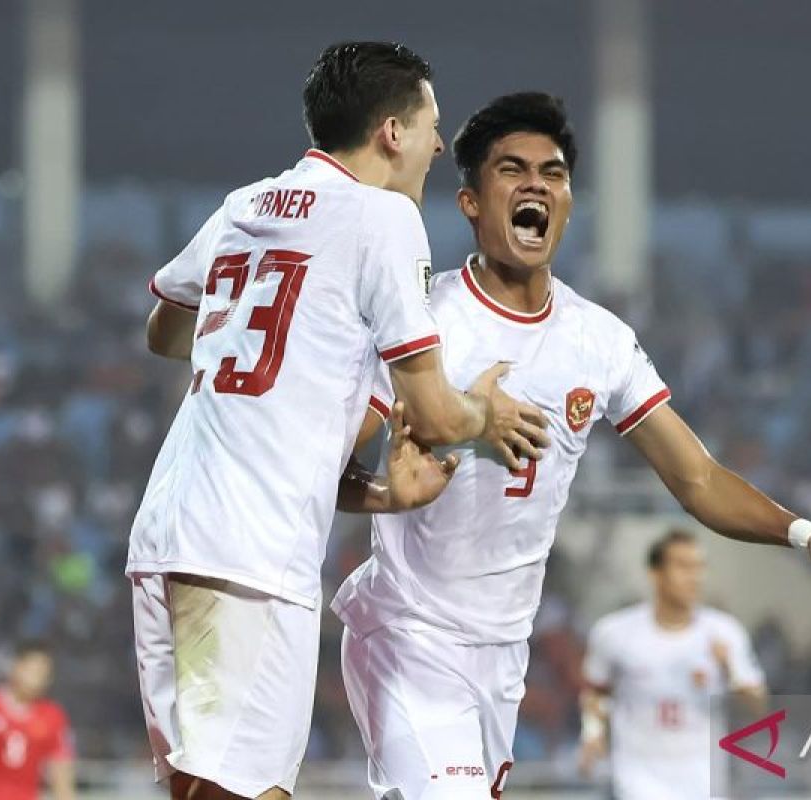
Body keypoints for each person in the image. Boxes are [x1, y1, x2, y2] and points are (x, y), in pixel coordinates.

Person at [331, 92, 811, 800]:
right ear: (469, 200)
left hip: (502, 653)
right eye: (512, 170)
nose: (535, 185)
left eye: (552, 174)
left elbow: (699, 479)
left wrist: (808, 534)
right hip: (407, 632)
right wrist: (383, 497)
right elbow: (326, 465)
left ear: (568, 201)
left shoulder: (601, 341)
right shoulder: (423, 322)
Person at [128, 43, 548, 800]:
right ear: (392, 131)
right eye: (431, 127)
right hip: (251, 555)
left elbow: (164, 331)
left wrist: (382, 490)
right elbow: (433, 408)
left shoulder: (246, 204)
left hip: (169, 533)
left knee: (203, 789)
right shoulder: (381, 217)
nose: (437, 148)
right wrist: (487, 413)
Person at [580, 530, 768, 800]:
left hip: (702, 779)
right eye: (683, 566)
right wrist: (593, 732)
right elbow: (596, 690)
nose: (694, 577)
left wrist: (731, 670)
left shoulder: (725, 633)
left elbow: (758, 709)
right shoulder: (615, 632)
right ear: (655, 573)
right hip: (636, 776)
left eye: (699, 567)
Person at [0, 641, 75, 800]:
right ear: (16, 667)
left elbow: (62, 774)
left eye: (44, 674)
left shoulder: (53, 716)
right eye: (33, 671)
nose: (37, 679)